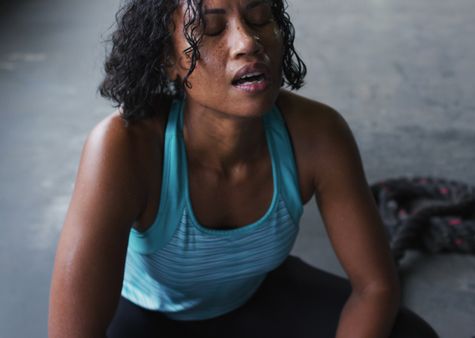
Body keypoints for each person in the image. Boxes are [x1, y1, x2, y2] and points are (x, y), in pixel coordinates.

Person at [48, 0, 439, 337]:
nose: (247, 42)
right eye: (211, 29)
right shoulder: (124, 146)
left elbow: (374, 287)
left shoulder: (318, 134)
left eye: (258, 17)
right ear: (168, 60)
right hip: (146, 319)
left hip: (253, 299)